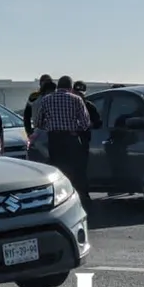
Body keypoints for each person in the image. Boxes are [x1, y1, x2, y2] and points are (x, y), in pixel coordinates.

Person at [35, 76, 93, 208]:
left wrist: (51, 127)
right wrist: (74, 128)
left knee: (58, 170)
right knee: (76, 170)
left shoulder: (46, 99)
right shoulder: (76, 99)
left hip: (54, 139)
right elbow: (85, 123)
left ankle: (60, 199)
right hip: (71, 139)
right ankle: (80, 199)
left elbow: (38, 122)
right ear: (70, 87)